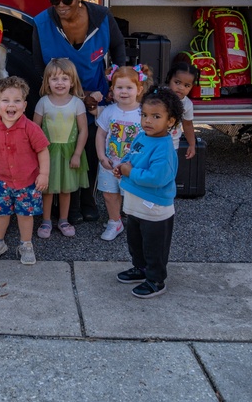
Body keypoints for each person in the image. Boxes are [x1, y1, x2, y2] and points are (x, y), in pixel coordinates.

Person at [32, 0, 126, 224]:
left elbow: (118, 49)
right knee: (63, 150)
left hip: (95, 97)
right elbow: (39, 66)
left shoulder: (102, 17)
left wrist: (111, 88)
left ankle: (87, 199)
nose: (60, 5)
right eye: (55, 0)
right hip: (62, 98)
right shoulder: (41, 23)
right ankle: (65, 207)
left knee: (93, 146)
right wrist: (68, 95)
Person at [114, 85, 183, 299]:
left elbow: (157, 178)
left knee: (154, 246)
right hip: (136, 204)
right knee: (136, 241)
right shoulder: (143, 137)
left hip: (155, 209)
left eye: (156, 116)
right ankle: (140, 269)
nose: (147, 121)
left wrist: (130, 172)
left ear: (170, 121)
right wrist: (122, 166)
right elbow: (132, 156)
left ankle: (156, 279)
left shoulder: (164, 148)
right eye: (144, 115)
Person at [0, 76, 50, 265]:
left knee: (24, 216)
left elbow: (43, 151)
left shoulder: (31, 129)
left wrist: (44, 174)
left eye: (17, 101)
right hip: (2, 181)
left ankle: (26, 245)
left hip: (27, 182)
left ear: (25, 105)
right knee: (0, 214)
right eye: (6, 101)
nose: (11, 105)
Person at [32, 58, 89, 239]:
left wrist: (78, 154)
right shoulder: (43, 102)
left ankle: (63, 220)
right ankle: (46, 220)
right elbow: (35, 129)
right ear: (47, 81)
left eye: (65, 78)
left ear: (72, 81)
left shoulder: (77, 103)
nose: (60, 83)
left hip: (69, 153)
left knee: (66, 189)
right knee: (47, 188)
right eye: (55, 78)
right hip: (47, 153)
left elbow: (83, 130)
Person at [95, 65, 148, 242]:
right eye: (119, 87)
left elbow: (149, 140)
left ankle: (136, 224)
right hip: (110, 163)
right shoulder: (109, 111)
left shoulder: (144, 114)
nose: (123, 92)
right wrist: (102, 157)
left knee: (132, 195)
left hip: (133, 166)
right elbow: (101, 134)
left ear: (139, 89)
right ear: (112, 89)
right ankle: (114, 221)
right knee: (109, 194)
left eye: (129, 88)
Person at [165, 63, 198, 157]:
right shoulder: (158, 96)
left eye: (187, 85)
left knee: (168, 170)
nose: (181, 88)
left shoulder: (187, 104)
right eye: (177, 82)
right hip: (151, 142)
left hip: (172, 145)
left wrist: (192, 145)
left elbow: (187, 125)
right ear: (169, 79)